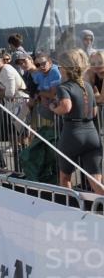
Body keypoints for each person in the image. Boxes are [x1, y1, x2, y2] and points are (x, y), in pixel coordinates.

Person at [48, 49, 104, 194]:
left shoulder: (64, 87)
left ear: (65, 69)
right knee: (96, 181)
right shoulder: (88, 86)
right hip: (92, 134)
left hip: (72, 134)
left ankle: (69, 208)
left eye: (60, 66)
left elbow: (66, 107)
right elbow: (94, 112)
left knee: (65, 177)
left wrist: (53, 108)